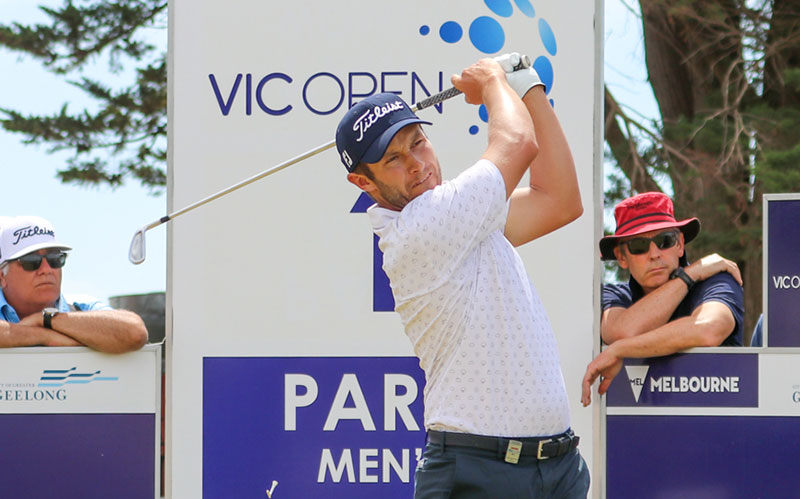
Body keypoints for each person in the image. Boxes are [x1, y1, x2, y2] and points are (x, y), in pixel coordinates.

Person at [335, 54, 588, 498]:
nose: (416, 163)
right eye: (393, 159)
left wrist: (528, 86)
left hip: (557, 467)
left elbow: (560, 198)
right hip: (480, 472)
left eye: (418, 142)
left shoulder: (464, 215)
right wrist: (493, 82)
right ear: (364, 183)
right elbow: (517, 142)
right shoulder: (424, 225)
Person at [581, 192, 745, 406]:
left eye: (664, 240)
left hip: (719, 426)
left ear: (680, 244)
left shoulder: (715, 281)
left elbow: (709, 329)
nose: (654, 254)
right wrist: (690, 274)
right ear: (621, 257)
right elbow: (623, 331)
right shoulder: (615, 295)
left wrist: (619, 350)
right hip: (642, 432)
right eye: (639, 246)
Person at [0, 215, 148, 353]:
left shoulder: (83, 308)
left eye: (55, 259)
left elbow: (135, 332)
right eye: (31, 262)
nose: (46, 269)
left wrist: (45, 319)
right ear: (2, 277)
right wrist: (45, 336)